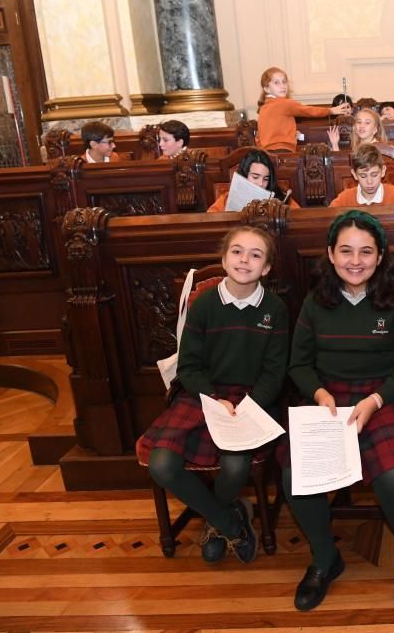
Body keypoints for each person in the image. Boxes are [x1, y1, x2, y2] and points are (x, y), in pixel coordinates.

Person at [282, 210, 394, 612]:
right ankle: (325, 558)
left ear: (380, 256)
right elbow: (298, 363)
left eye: (366, 251)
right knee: (294, 473)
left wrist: (375, 400)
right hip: (329, 401)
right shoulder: (316, 303)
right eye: (346, 250)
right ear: (330, 254)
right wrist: (317, 393)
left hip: (387, 397)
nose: (355, 260)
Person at [137, 225, 289, 565]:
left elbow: (274, 372)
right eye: (237, 251)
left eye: (255, 254)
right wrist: (211, 398)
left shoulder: (274, 309)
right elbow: (188, 367)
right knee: (162, 464)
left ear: (266, 268)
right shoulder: (204, 304)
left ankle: (218, 519)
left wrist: (248, 406)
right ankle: (228, 523)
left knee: (235, 468)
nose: (244, 260)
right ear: (224, 258)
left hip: (250, 400)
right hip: (202, 395)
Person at [257, 67, 351, 151]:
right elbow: (309, 111)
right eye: (276, 82)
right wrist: (331, 110)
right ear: (266, 88)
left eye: (284, 81)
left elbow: (259, 137)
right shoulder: (284, 103)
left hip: (265, 153)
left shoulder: (263, 107)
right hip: (282, 151)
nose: (282, 86)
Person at [207, 148, 300, 212]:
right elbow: (211, 221)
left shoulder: (282, 198)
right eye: (255, 177)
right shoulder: (227, 198)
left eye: (266, 179)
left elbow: (298, 219)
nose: (261, 183)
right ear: (244, 175)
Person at [330, 144, 394, 207]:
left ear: (383, 171)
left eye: (374, 175)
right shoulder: (345, 199)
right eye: (363, 176)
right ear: (354, 174)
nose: (369, 182)